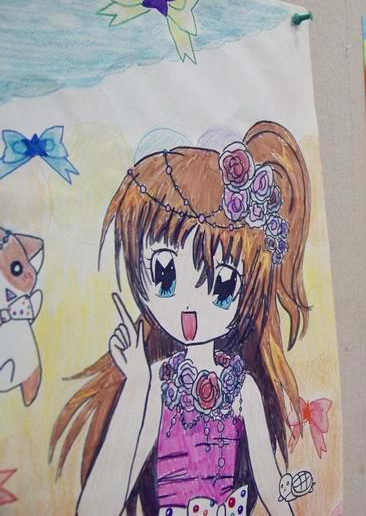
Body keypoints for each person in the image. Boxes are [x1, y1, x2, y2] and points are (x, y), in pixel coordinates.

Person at [50, 122, 310, 516]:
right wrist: (136, 384)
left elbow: (273, 491)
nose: (189, 307)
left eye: (223, 284)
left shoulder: (242, 389)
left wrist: (289, 490)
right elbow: (96, 508)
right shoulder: (157, 385)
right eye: (165, 274)